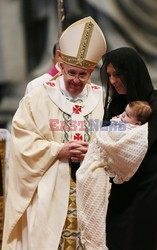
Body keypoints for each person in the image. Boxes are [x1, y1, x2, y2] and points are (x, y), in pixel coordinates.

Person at [2, 16, 107, 250]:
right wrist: (59, 149)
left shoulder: (101, 98)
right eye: (71, 73)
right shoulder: (38, 96)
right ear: (60, 65)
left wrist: (94, 151)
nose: (76, 80)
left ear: (91, 71)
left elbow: (112, 139)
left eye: (83, 74)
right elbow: (22, 139)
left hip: (90, 191)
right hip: (50, 189)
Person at [100, 47, 157, 250]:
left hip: (149, 191)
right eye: (109, 75)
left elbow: (139, 145)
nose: (113, 81)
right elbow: (103, 138)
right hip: (122, 193)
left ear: (132, 72)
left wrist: (111, 141)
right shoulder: (115, 105)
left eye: (118, 74)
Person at [76, 100, 152, 249]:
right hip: (92, 165)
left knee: (96, 213)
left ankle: (95, 244)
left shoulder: (134, 133)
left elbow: (118, 144)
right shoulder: (122, 123)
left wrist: (112, 127)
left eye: (127, 116)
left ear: (137, 123)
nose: (122, 116)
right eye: (124, 113)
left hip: (101, 170)